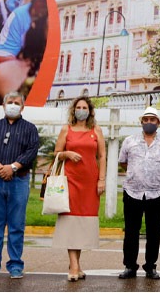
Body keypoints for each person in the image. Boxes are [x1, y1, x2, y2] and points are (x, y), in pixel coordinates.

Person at [0, 92, 40, 279]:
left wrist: (12, 167)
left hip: (19, 181)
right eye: (10, 102)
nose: (13, 105)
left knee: (16, 225)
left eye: (16, 103)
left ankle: (15, 265)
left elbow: (31, 151)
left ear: (22, 107)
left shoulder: (30, 128)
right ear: (4, 106)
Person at [117, 107, 160, 280]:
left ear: (158, 123)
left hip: (156, 194)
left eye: (153, 120)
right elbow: (123, 162)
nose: (149, 123)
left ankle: (150, 266)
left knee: (154, 232)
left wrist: (156, 174)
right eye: (146, 120)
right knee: (131, 232)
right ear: (141, 122)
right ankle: (130, 266)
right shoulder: (130, 141)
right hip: (132, 193)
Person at [52, 96, 106, 281]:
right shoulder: (65, 130)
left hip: (90, 183)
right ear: (73, 110)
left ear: (90, 111)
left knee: (83, 225)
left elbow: (102, 156)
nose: (81, 110)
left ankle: (77, 265)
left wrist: (102, 180)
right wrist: (66, 153)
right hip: (70, 182)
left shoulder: (96, 130)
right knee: (71, 222)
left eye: (84, 107)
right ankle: (73, 266)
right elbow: (56, 153)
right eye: (78, 107)